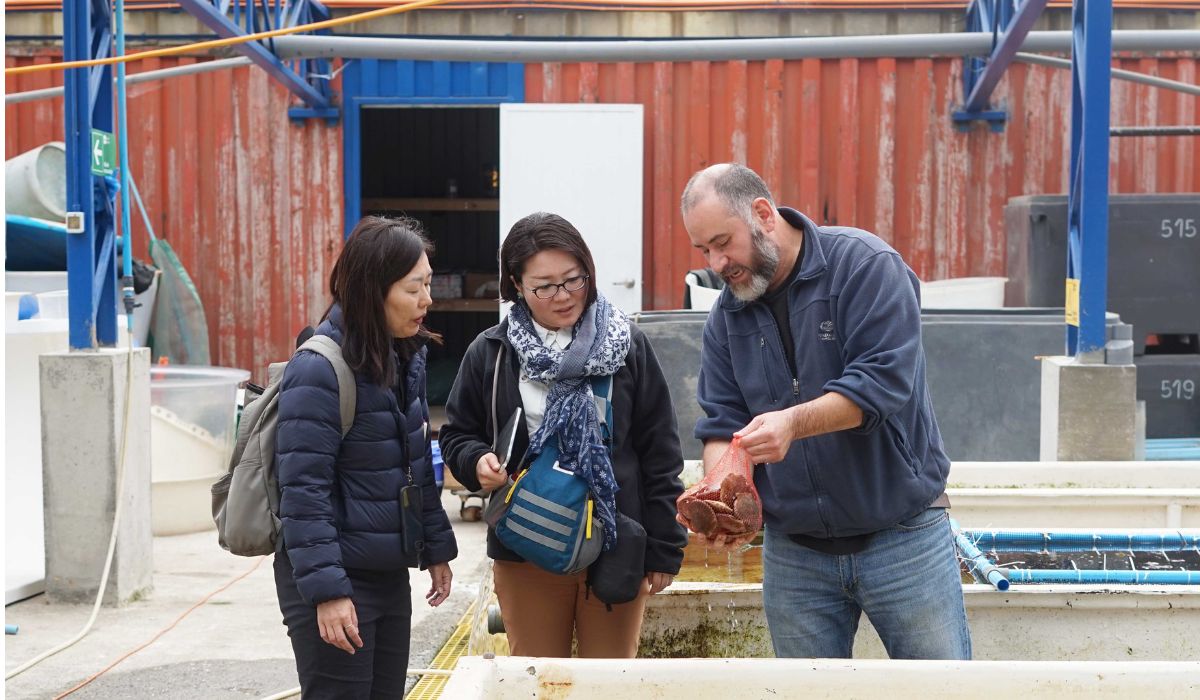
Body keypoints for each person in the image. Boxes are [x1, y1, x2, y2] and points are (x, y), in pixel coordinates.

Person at [678, 163, 970, 660]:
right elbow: (722, 423)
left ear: (764, 215)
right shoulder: (726, 318)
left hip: (903, 538)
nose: (717, 261)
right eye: (705, 249)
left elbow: (883, 382)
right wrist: (722, 497)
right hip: (795, 554)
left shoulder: (865, 265)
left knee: (939, 692)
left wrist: (792, 423)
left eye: (724, 242)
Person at [439, 212, 687, 658]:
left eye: (574, 280)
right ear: (516, 284)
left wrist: (665, 547)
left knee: (608, 684)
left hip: (617, 539)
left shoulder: (627, 345)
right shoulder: (493, 352)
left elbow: (660, 450)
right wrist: (477, 461)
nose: (563, 296)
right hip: (528, 541)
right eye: (545, 286)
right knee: (537, 678)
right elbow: (457, 434)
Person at [274, 215, 458, 697]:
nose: (427, 300)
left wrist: (436, 548)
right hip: (335, 576)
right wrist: (329, 592)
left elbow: (416, 464)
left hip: (385, 571)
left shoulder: (404, 357)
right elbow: (303, 493)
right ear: (373, 290)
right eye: (413, 288)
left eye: (428, 284)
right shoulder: (318, 369)